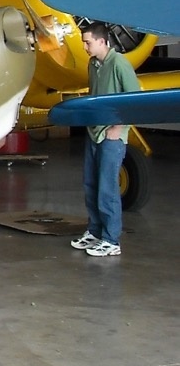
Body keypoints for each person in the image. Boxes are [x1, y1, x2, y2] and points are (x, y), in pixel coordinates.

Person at [72, 22, 140, 258]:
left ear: (102, 41)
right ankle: (95, 231)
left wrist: (118, 127)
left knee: (107, 188)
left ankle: (111, 240)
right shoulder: (93, 64)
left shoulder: (119, 63)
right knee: (90, 183)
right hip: (94, 132)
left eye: (88, 42)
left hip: (111, 136)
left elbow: (135, 100)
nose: (85, 47)